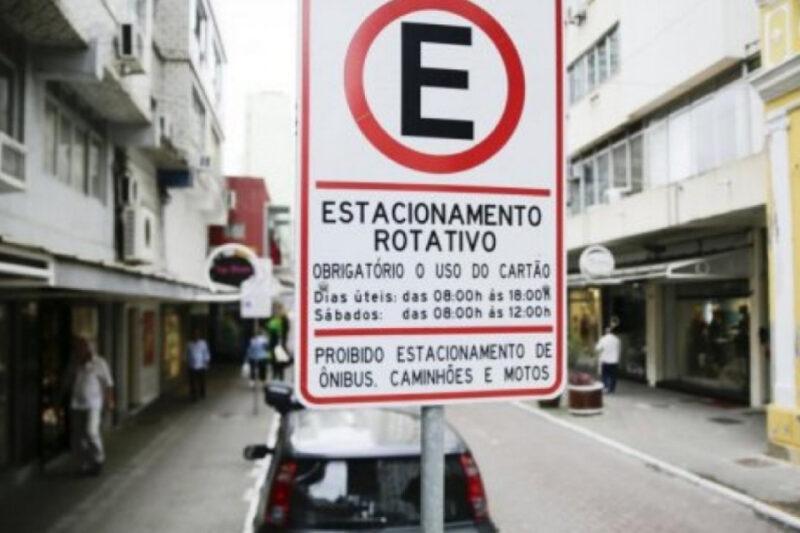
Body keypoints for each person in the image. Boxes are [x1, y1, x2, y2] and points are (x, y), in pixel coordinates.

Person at [68, 336, 114, 476]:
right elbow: (67, 381)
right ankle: (83, 465)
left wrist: (109, 401)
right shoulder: (74, 363)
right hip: (76, 404)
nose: (80, 351)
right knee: (78, 437)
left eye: (83, 347)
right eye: (77, 348)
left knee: (91, 432)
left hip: (94, 404)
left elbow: (108, 384)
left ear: (89, 349)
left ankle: (98, 459)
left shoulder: (100, 363)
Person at [266, 304, 292, 381]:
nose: (277, 311)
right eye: (275, 309)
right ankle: (275, 379)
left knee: (280, 366)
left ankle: (280, 380)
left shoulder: (284, 319)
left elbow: (286, 330)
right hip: (274, 345)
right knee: (274, 366)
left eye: (278, 309)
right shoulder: (272, 319)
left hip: (280, 346)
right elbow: (269, 330)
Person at [186, 328, 211, 401]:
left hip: (201, 365)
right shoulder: (189, 344)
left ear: (199, 335)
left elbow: (206, 353)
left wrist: (206, 362)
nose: (195, 336)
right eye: (194, 334)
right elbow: (187, 354)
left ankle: (202, 392)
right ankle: (194, 395)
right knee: (193, 381)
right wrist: (187, 363)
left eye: (197, 334)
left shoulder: (203, 343)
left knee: (201, 380)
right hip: (192, 366)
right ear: (192, 335)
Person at [595, 325, 621, 394]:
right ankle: (612, 389)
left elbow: (597, 349)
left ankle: (605, 387)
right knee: (613, 376)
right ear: (612, 332)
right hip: (614, 361)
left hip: (605, 360)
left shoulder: (603, 339)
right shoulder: (616, 339)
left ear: (606, 331)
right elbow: (618, 349)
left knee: (605, 375)